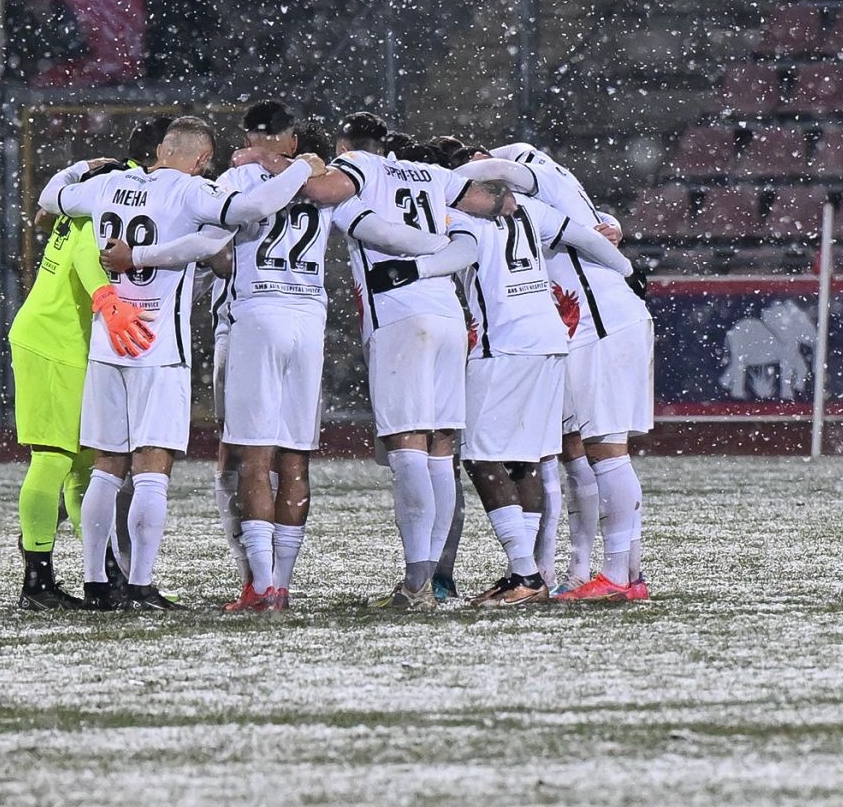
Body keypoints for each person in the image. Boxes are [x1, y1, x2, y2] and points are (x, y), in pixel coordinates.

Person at [40, 116, 319, 608]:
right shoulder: (190, 192)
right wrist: (301, 171)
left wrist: (81, 165)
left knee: (106, 467)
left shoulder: (107, 184)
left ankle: (96, 582)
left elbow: (51, 195)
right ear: (199, 159)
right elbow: (252, 206)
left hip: (108, 344)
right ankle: (142, 584)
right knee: (152, 470)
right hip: (157, 348)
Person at [220, 106, 478, 611]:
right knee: (302, 457)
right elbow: (427, 231)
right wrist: (434, 250)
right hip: (326, 316)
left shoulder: (253, 176)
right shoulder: (401, 182)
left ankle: (265, 585)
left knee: (254, 455)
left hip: (269, 310)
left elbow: (221, 232)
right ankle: (429, 577)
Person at [299, 111, 504, 609]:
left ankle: (416, 584)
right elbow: (491, 211)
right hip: (449, 317)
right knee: (438, 447)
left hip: (400, 316)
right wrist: (441, 243)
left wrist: (302, 167)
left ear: (348, 147)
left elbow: (363, 223)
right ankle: (430, 580)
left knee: (407, 444)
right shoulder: (434, 177)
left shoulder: (356, 172)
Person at [6, 116, 171, 609]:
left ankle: (105, 573)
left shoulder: (92, 196)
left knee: (83, 468)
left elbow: (45, 215)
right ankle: (36, 580)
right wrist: (107, 300)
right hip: (52, 342)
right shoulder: (102, 209)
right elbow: (84, 258)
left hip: (70, 344)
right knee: (53, 459)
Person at [450, 189, 634, 605]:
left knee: (481, 456)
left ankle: (529, 573)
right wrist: (624, 264)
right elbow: (586, 227)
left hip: (504, 343)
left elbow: (453, 253)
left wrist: (416, 268)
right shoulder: (529, 204)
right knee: (532, 456)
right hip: (549, 336)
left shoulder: (458, 211)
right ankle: (537, 571)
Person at [489, 143, 655, 602]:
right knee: (591, 451)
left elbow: (508, 167)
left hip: (601, 323)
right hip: (591, 323)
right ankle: (615, 573)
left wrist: (452, 176)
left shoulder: (525, 169)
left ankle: (618, 577)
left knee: (606, 451)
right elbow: (592, 218)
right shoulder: (556, 193)